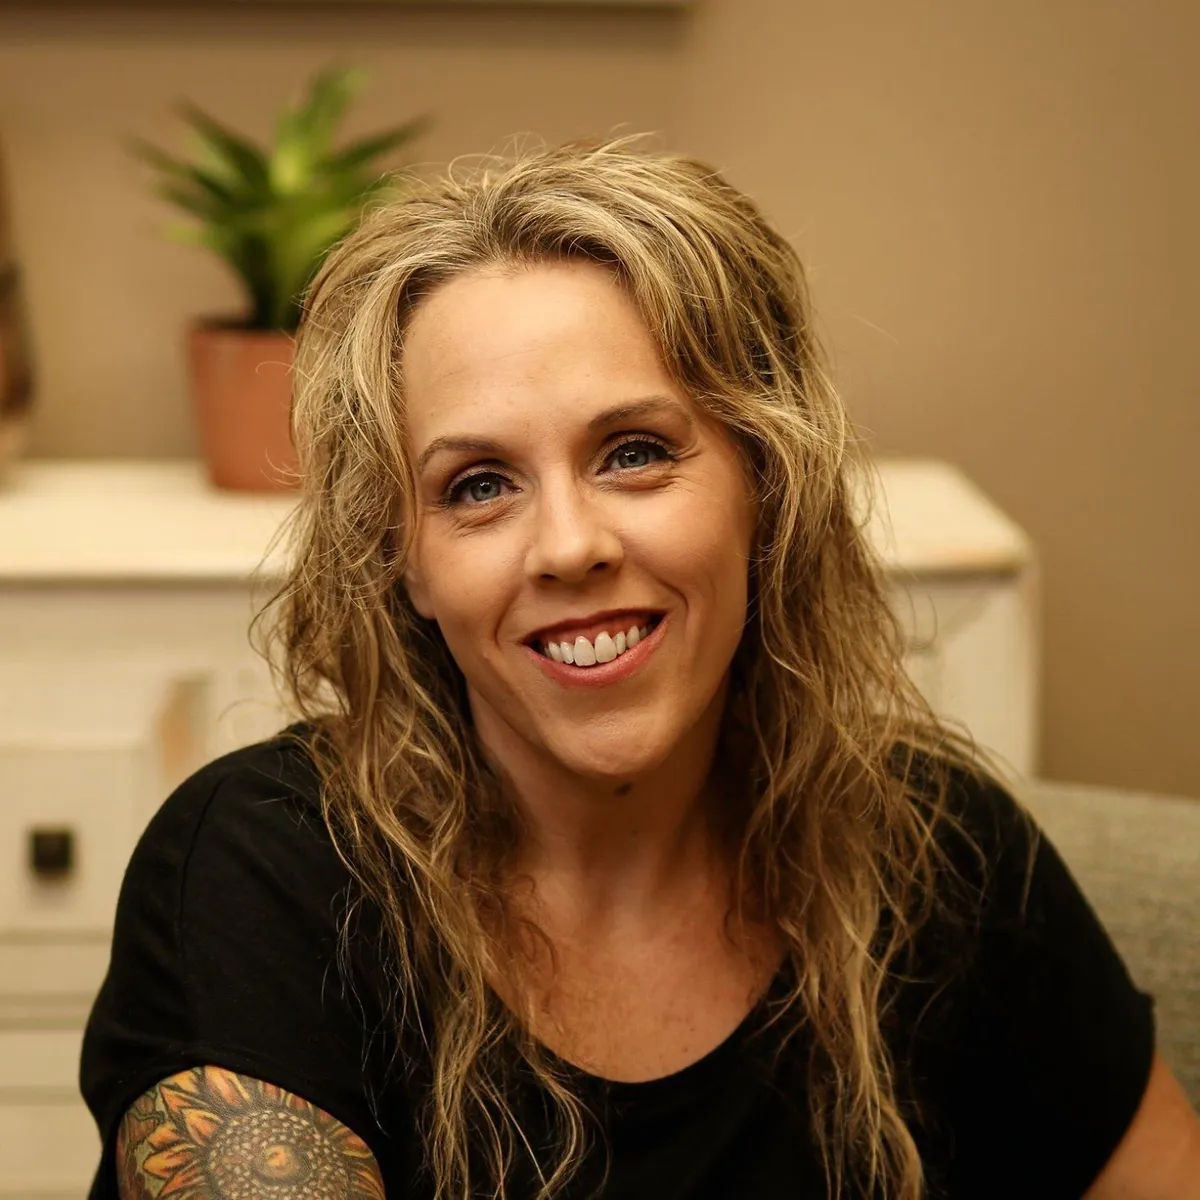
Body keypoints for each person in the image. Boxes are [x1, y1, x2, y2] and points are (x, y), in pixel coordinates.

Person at [80, 134, 1200, 1200]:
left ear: (765, 487)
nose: (570, 546)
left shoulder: (939, 852)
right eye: (477, 485)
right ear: (405, 562)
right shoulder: (259, 876)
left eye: (635, 453)